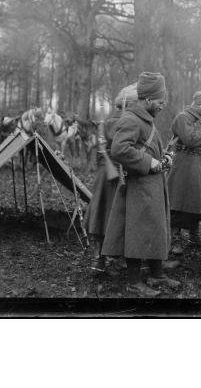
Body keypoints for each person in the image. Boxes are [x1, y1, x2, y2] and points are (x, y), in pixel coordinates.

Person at [101, 72, 180, 297]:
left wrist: (164, 157)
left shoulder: (146, 120)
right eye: (160, 101)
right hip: (138, 187)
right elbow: (119, 149)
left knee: (156, 228)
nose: (163, 106)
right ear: (147, 100)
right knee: (136, 233)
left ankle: (157, 274)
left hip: (153, 185)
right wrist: (149, 162)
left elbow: (146, 148)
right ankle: (134, 282)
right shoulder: (131, 119)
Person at [83, 83, 138, 273]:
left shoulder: (109, 121)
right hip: (117, 174)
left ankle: (98, 259)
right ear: (130, 104)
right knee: (114, 216)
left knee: (100, 214)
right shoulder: (126, 121)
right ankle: (115, 258)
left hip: (104, 174)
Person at [168, 91, 201, 255]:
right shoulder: (183, 117)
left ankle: (194, 235)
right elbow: (190, 139)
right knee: (179, 201)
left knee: (199, 202)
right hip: (185, 164)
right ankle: (175, 239)